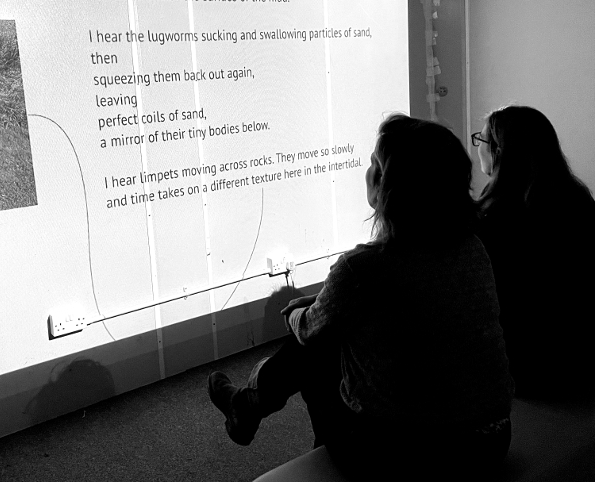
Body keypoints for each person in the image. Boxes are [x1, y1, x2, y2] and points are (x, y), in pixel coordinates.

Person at [208, 115, 514, 480]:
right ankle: (247, 406)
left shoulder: (362, 267)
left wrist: (295, 313)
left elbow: (308, 330)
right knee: (343, 329)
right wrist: (323, 304)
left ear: (390, 184)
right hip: (490, 444)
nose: (368, 172)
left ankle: (252, 408)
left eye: (374, 164)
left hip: (403, 458)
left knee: (318, 347)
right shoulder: (472, 249)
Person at [473, 105, 595, 401]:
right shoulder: (578, 200)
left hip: (522, 366)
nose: (477, 148)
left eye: (481, 139)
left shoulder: (492, 217)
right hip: (580, 358)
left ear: (498, 151)